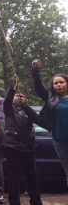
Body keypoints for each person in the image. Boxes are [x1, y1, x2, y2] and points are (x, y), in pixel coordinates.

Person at [3, 75, 42, 205]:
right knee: (14, 177)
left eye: (22, 96)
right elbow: (6, 101)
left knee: (32, 177)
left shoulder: (28, 110)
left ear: (26, 99)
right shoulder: (8, 109)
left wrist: (26, 107)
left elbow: (37, 120)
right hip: (12, 146)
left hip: (28, 147)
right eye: (17, 95)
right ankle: (14, 202)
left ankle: (36, 201)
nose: (19, 97)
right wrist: (12, 88)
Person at [31, 59, 68, 187]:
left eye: (61, 82)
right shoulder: (50, 97)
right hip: (60, 139)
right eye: (55, 83)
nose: (58, 85)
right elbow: (39, 87)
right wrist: (35, 71)